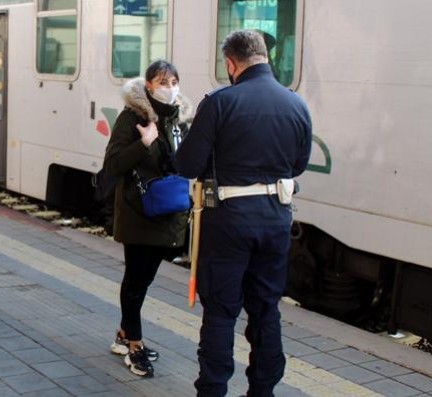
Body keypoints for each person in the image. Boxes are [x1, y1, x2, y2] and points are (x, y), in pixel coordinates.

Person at [175, 30, 312, 396]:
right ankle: (263, 390)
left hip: (228, 221)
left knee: (221, 311)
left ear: (231, 64)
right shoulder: (296, 104)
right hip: (276, 219)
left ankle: (213, 388)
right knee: (266, 308)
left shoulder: (220, 102)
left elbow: (188, 164)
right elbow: (298, 165)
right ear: (265, 57)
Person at [103, 60, 193, 377]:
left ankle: (123, 334)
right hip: (139, 212)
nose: (169, 87)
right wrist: (143, 143)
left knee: (144, 280)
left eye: (174, 81)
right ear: (149, 86)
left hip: (169, 213)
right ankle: (135, 346)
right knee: (136, 282)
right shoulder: (133, 118)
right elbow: (113, 164)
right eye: (162, 81)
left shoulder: (180, 120)